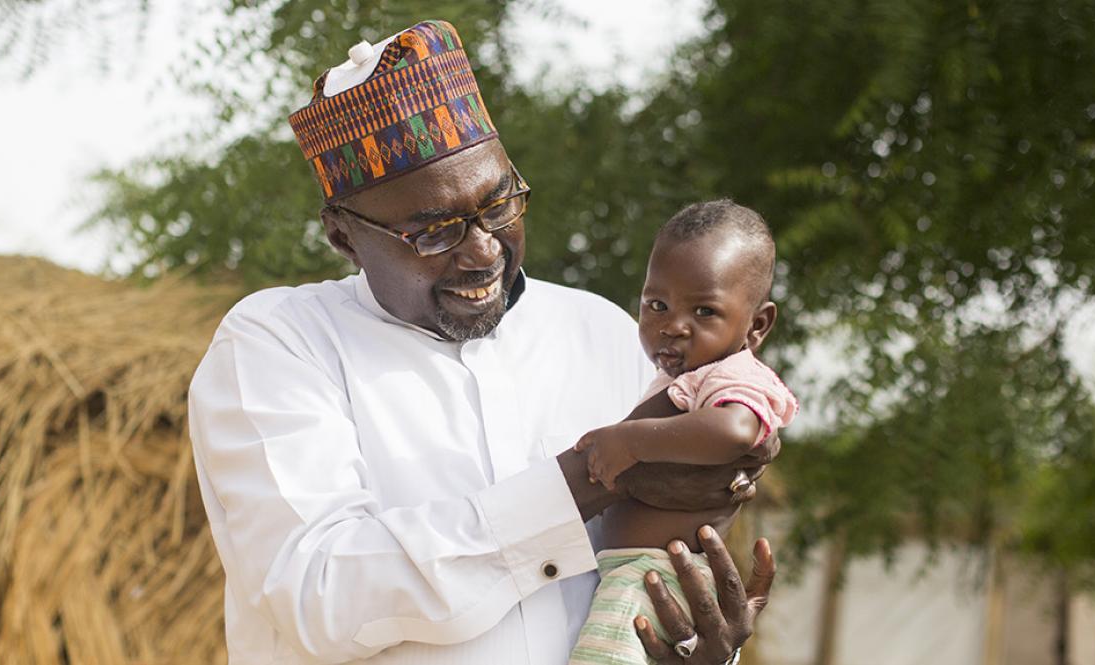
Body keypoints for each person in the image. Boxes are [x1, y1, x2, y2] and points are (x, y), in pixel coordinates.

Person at [188, 20, 777, 664]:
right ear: (344, 236)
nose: (484, 250)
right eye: (434, 232)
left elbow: (646, 565)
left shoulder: (606, 334)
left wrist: (695, 647)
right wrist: (595, 473)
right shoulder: (279, 344)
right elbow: (322, 596)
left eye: (498, 207)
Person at [569, 200, 797, 664]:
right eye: (657, 305)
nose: (672, 326)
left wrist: (632, 440)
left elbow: (737, 429)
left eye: (705, 312)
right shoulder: (687, 376)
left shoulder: (734, 375)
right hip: (634, 571)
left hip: (655, 573)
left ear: (757, 326)